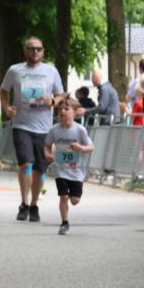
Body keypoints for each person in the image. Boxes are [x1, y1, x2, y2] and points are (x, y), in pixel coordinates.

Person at [0, 36, 65, 222]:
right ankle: (24, 203)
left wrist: (53, 101)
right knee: (25, 164)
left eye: (38, 49)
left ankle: (34, 205)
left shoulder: (51, 71)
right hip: (22, 124)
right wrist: (6, 107)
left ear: (43, 51)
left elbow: (61, 94)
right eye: (31, 48)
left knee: (39, 169)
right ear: (25, 50)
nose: (35, 52)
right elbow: (3, 90)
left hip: (44, 127)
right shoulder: (15, 70)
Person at [44, 98, 94, 235]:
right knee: (64, 197)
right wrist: (48, 154)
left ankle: (74, 199)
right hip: (61, 170)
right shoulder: (54, 130)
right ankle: (64, 223)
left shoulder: (80, 130)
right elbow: (47, 146)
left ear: (74, 113)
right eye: (60, 109)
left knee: (74, 200)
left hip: (77, 171)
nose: (62, 111)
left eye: (66, 109)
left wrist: (80, 148)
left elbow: (91, 147)